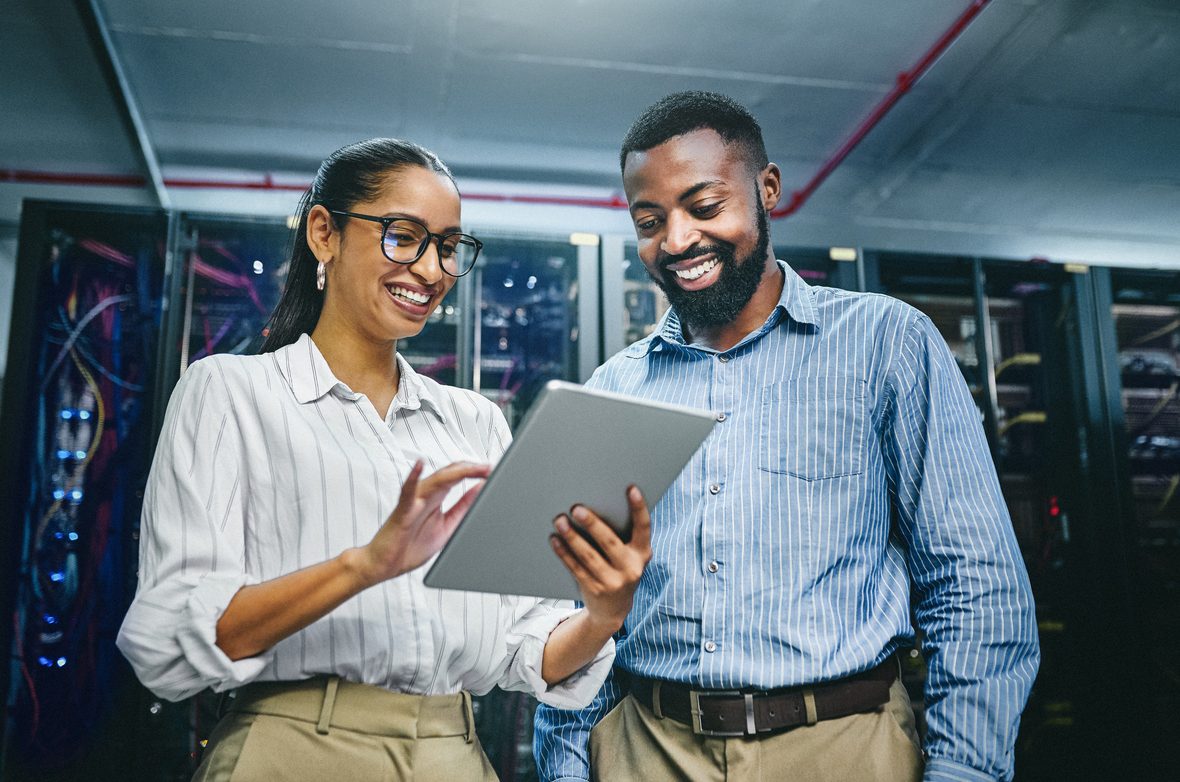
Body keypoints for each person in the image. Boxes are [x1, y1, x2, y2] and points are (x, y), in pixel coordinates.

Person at [534, 92, 1039, 782]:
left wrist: (965, 772)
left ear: (767, 189)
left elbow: (974, 589)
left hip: (842, 748)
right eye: (650, 221)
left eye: (704, 207)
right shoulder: (614, 389)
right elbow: (579, 615)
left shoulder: (885, 344)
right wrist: (565, 769)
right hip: (646, 749)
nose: (677, 240)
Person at [116, 138, 652, 781]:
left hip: (453, 755)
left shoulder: (475, 422)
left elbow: (527, 650)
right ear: (324, 233)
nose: (431, 271)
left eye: (449, 247)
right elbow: (171, 640)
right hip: (294, 751)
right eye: (405, 237)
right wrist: (363, 566)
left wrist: (604, 611)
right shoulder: (232, 394)